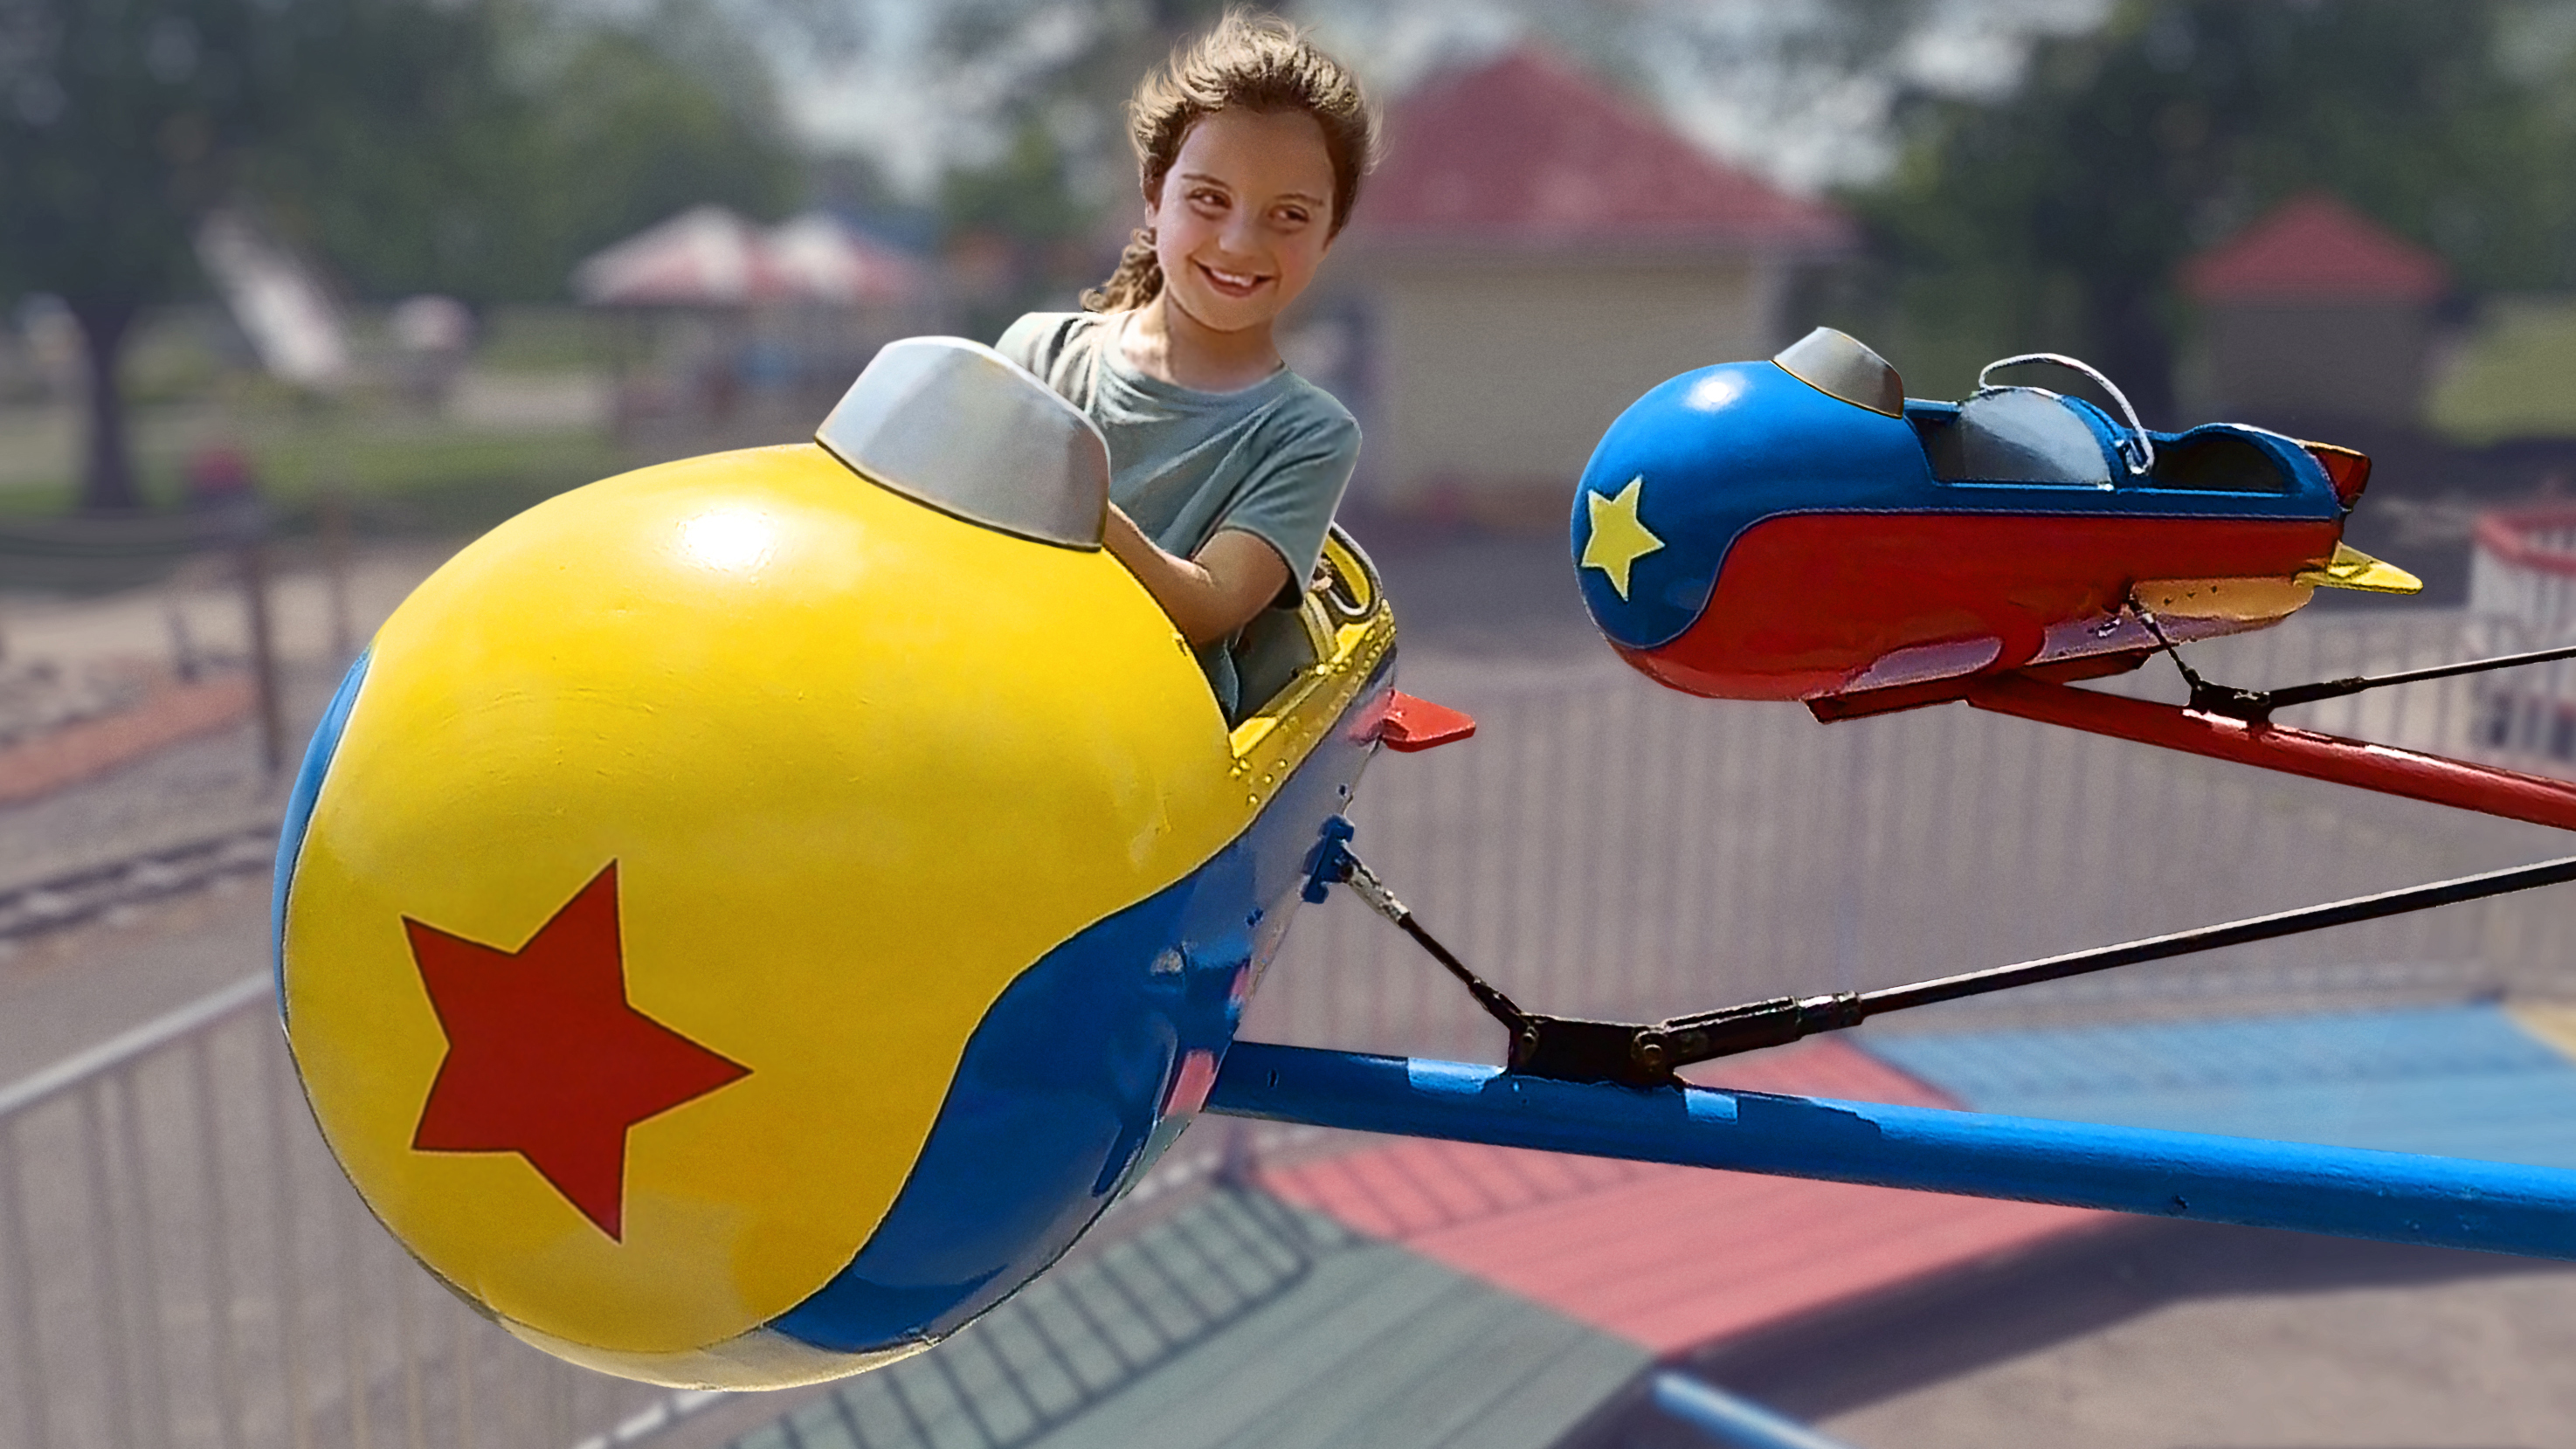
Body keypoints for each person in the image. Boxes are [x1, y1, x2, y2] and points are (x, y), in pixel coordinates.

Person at [997, 10, 1374, 719]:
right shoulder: (1035, 355)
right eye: (1208, 199)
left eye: (1288, 215)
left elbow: (1207, 604)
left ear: (1329, 235)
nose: (1237, 242)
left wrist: (1057, 488)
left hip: (1143, 760)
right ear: (1152, 195)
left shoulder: (1308, 434)